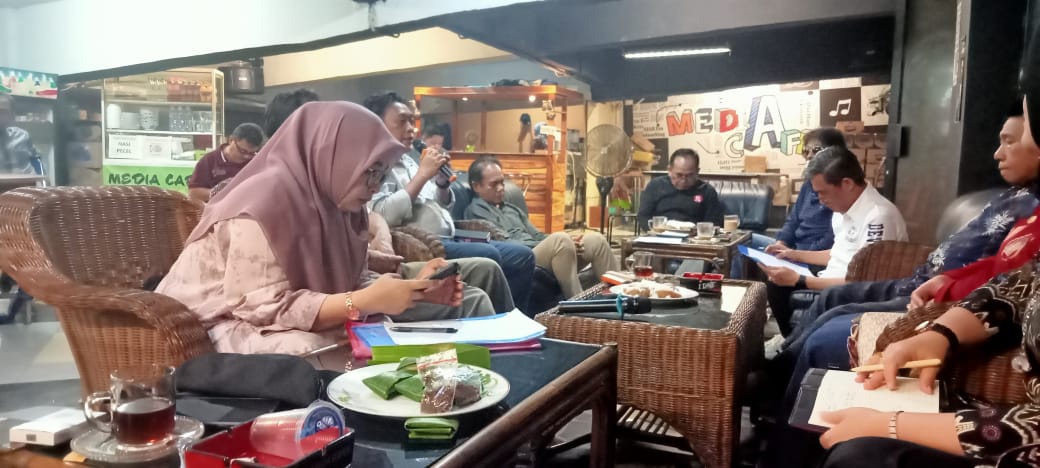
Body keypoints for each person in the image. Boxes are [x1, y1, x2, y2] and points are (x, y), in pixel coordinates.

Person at [758, 102, 1040, 468]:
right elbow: (1017, 280)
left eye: (1015, 138)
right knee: (834, 303)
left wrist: (890, 424)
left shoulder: (876, 214)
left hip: (960, 335)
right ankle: (776, 381)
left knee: (828, 341)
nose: (998, 153)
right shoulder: (1021, 199)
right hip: (932, 288)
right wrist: (944, 330)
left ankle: (775, 407)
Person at [156, 101, 509, 355]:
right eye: (369, 171)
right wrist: (363, 301)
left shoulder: (338, 201)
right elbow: (264, 307)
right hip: (209, 323)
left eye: (381, 174)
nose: (375, 185)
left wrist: (412, 291)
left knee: (370, 333)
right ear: (333, 155)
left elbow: (350, 280)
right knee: (329, 348)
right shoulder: (263, 205)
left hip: (276, 314)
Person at [363, 91, 536, 312]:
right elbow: (383, 212)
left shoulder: (408, 161)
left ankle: (516, 315)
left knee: (523, 255)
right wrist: (422, 175)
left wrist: (442, 184)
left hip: (450, 235)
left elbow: (440, 205)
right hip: (425, 243)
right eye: (402, 121)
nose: (411, 128)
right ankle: (497, 319)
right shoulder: (377, 165)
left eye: (412, 121)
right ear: (378, 125)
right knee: (489, 256)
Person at [761, 146, 908, 337]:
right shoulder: (843, 209)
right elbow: (838, 253)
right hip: (831, 279)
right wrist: (793, 255)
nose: (820, 200)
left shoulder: (878, 217)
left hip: (849, 292)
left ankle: (793, 346)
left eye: (823, 192)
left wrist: (800, 279)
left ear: (847, 183)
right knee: (775, 282)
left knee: (781, 285)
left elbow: (865, 282)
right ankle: (790, 340)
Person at [465, 155, 619, 298]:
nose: (500, 188)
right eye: (494, 184)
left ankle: (621, 298)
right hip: (522, 257)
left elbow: (537, 235)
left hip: (537, 251)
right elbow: (506, 244)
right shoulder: (476, 211)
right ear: (477, 186)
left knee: (596, 240)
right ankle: (578, 308)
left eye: (502, 182)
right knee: (560, 240)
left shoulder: (511, 209)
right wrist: (556, 242)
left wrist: (571, 241)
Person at [758, 128, 846, 253]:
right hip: (794, 249)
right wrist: (781, 243)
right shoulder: (808, 184)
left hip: (814, 255)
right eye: (805, 151)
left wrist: (797, 256)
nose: (809, 155)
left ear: (834, 152)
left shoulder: (841, 187)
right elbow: (793, 221)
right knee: (745, 241)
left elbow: (831, 239)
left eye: (816, 150)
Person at [637, 148, 725, 230]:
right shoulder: (656, 186)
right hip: (660, 235)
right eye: (679, 175)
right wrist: (655, 230)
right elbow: (643, 217)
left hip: (693, 237)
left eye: (689, 175)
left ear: (697, 172)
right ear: (669, 170)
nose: (684, 180)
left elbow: (713, 222)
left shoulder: (707, 191)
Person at [187, 123, 265, 203]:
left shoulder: (256, 161)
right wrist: (217, 191)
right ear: (231, 140)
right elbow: (193, 194)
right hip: (215, 208)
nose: (246, 156)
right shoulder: (209, 161)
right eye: (242, 151)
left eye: (251, 153)